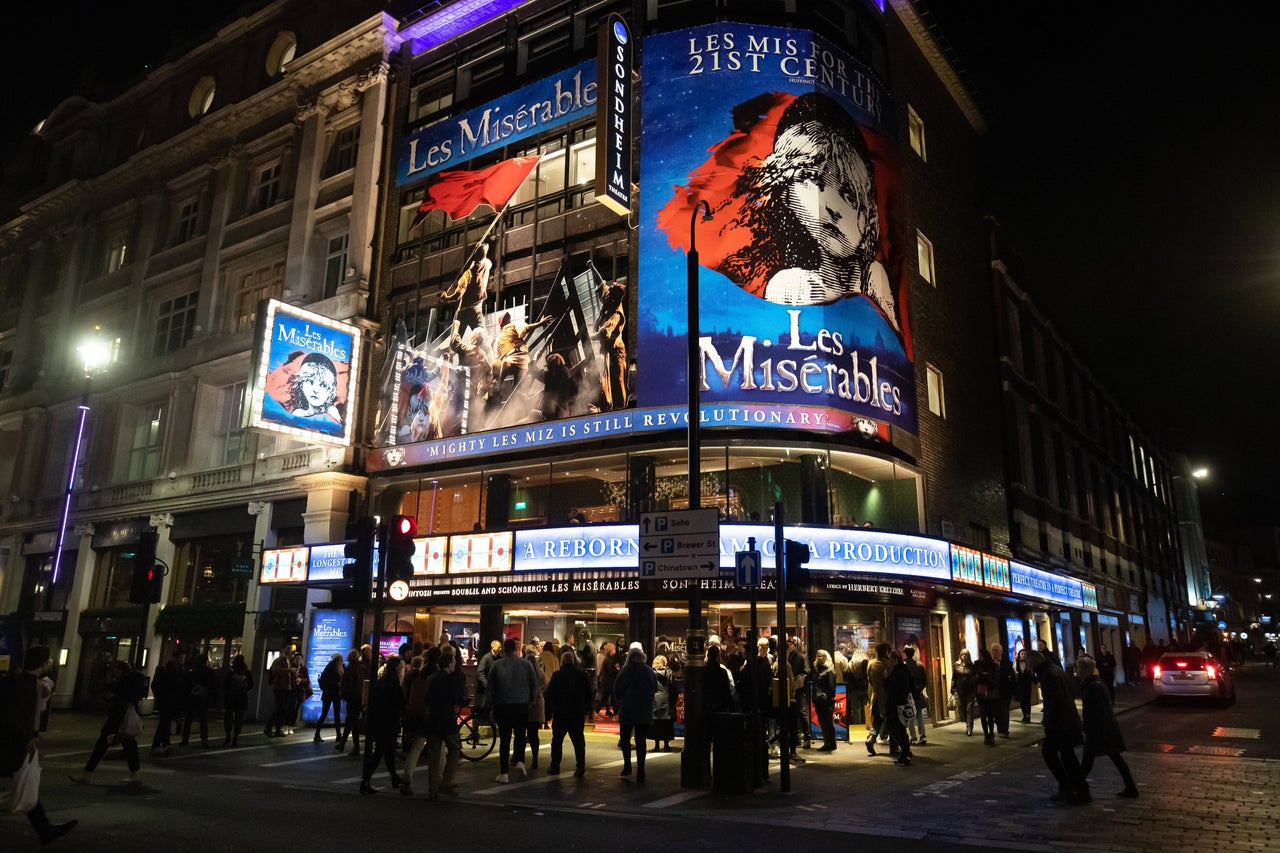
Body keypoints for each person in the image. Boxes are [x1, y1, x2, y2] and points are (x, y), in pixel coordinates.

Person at [720, 91, 899, 331]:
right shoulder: (792, 284)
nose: (832, 208)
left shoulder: (875, 280)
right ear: (785, 191)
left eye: (847, 193)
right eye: (812, 180)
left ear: (867, 214)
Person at [1, 645, 77, 845]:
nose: (50, 663)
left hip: (9, 742)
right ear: (42, 663)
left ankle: (45, 829)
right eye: (48, 660)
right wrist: (26, 738)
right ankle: (45, 830)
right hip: (10, 744)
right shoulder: (26, 684)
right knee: (24, 779)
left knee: (26, 781)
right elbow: (13, 715)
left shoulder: (15, 680)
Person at [1025, 648, 1090, 805]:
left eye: (1028, 663)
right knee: (1064, 755)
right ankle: (1072, 787)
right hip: (1065, 720)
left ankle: (1078, 790)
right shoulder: (1054, 670)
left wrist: (1049, 719)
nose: (1028, 667)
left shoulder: (1048, 674)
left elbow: (1055, 700)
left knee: (1059, 755)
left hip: (1060, 723)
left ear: (1034, 662)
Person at [71, 659, 148, 786]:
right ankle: (135, 774)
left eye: (115, 670)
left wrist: (112, 697)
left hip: (117, 720)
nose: (114, 672)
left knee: (101, 746)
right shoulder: (131, 682)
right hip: (123, 719)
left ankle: (87, 775)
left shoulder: (124, 682)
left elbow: (119, 700)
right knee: (130, 747)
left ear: (120, 670)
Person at [1076, 656, 1138, 799]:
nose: (1077, 671)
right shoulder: (1097, 683)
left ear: (1085, 670)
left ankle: (1080, 791)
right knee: (1113, 758)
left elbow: (1098, 711)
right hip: (1105, 729)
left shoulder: (1092, 687)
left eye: (1078, 668)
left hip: (1099, 730)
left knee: (1087, 762)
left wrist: (1090, 728)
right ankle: (1130, 787)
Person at [488, 637, 539, 784]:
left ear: (504, 649)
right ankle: (520, 762)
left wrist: (491, 704)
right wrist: (530, 700)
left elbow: (491, 688)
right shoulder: (526, 664)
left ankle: (504, 773)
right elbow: (534, 684)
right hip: (521, 705)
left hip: (503, 705)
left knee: (505, 740)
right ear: (516, 650)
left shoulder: (496, 665)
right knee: (520, 735)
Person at [360, 654, 405, 794]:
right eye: (402, 667)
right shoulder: (393, 684)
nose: (403, 670)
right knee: (380, 752)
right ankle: (365, 781)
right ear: (398, 668)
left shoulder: (383, 681)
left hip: (379, 721)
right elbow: (398, 704)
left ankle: (394, 777)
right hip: (386, 722)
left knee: (387, 751)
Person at [423, 650, 464, 799]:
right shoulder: (451, 680)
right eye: (453, 662)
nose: (455, 664)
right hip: (447, 720)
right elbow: (457, 698)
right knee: (454, 749)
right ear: (449, 664)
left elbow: (426, 699)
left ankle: (432, 789)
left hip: (432, 719)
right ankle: (446, 782)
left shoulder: (431, 679)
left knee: (434, 755)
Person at [545, 650, 592, 777]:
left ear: (562, 662)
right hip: (577, 713)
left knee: (557, 741)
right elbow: (589, 694)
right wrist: (586, 709)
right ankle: (580, 766)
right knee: (578, 741)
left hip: (561, 713)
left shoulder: (557, 675)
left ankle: (555, 766)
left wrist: (549, 712)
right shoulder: (582, 675)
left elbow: (550, 695)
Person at [613, 646, 657, 782]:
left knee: (625, 738)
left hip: (628, 709)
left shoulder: (626, 670)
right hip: (644, 709)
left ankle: (627, 766)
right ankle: (641, 770)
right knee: (641, 740)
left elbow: (617, 689)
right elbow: (654, 688)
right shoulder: (649, 670)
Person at [493, 312, 555, 402]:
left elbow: (497, 356)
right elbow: (526, 328)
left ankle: (499, 391)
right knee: (517, 386)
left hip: (509, 360)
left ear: (500, 326)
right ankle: (512, 396)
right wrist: (540, 324)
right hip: (522, 362)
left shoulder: (499, 338)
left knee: (502, 375)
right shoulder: (514, 325)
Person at [596, 278, 628, 410]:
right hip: (607, 350)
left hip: (616, 351)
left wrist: (589, 337)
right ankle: (609, 403)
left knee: (618, 379)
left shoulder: (616, 314)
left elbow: (604, 333)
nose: (607, 297)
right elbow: (601, 283)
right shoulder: (609, 299)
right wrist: (591, 266)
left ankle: (620, 407)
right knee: (606, 377)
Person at [149, 649, 186, 755]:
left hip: (171, 701)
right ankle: (165, 744)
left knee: (164, 722)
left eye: (183, 658)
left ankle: (158, 745)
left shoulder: (179, 670)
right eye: (181, 658)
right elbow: (157, 685)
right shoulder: (165, 670)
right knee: (165, 721)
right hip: (166, 700)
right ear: (175, 658)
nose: (182, 660)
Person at [288, 352, 342, 423]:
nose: (315, 390)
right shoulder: (298, 414)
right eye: (310, 381)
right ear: (301, 384)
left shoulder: (332, 413)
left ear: (331, 391)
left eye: (323, 385)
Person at [882, 648, 914, 766]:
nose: (889, 662)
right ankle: (906, 750)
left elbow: (895, 689)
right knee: (899, 729)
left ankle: (905, 752)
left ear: (895, 660)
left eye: (890, 659)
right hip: (900, 705)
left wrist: (886, 679)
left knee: (895, 728)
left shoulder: (898, 672)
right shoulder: (902, 670)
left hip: (897, 706)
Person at [519, 644, 548, 770]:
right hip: (537, 705)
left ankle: (520, 759)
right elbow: (546, 686)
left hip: (524, 704)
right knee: (534, 734)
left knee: (521, 733)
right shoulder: (540, 673)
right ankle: (535, 758)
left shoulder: (523, 672)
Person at [181, 653, 216, 748]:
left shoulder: (193, 672)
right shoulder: (209, 672)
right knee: (203, 720)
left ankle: (185, 739)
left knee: (189, 720)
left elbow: (187, 685)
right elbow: (213, 686)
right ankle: (204, 740)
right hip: (203, 699)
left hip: (193, 698)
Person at [337, 648, 366, 754]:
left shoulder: (349, 669)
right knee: (351, 721)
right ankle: (343, 743)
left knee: (352, 722)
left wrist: (343, 694)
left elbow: (346, 685)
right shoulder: (362, 668)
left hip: (351, 698)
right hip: (359, 698)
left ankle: (355, 746)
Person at [222, 654, 253, 747]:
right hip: (242, 698)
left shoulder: (231, 672)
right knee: (239, 719)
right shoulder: (246, 672)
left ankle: (228, 736)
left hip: (231, 699)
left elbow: (225, 685)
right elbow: (251, 685)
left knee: (228, 718)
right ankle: (235, 738)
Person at [865, 643, 890, 755]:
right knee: (890, 720)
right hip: (887, 696)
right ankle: (894, 747)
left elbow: (869, 679)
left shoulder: (871, 663)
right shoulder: (888, 664)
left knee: (877, 721)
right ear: (886, 652)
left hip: (875, 696)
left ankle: (872, 737)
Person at [266, 648, 297, 738]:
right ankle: (269, 727)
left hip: (287, 688)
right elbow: (276, 671)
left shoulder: (288, 661)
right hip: (280, 687)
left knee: (283, 709)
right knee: (280, 708)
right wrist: (289, 670)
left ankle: (278, 729)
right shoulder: (279, 660)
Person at [812, 650, 838, 752]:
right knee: (822, 721)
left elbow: (832, 688)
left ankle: (831, 742)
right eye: (818, 656)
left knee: (828, 722)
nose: (819, 658)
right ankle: (827, 742)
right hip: (818, 699)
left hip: (826, 700)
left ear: (826, 657)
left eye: (822, 656)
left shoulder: (829, 671)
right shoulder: (817, 670)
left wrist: (830, 699)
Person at [902, 645, 928, 745]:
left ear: (905, 653)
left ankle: (913, 736)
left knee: (910, 716)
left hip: (907, 694)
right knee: (919, 715)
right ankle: (922, 735)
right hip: (918, 694)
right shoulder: (920, 665)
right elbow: (924, 681)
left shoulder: (903, 666)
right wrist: (920, 689)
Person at [315, 652, 344, 742]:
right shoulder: (333, 668)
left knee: (327, 714)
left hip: (330, 694)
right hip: (332, 693)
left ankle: (319, 734)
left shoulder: (334, 667)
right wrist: (338, 684)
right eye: (340, 659)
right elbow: (329, 681)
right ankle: (337, 735)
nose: (341, 661)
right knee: (333, 714)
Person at [974, 646, 1000, 745]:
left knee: (990, 715)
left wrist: (988, 678)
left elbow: (996, 680)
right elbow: (974, 678)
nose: (979, 657)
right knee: (983, 715)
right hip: (981, 693)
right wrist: (978, 677)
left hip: (991, 693)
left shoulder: (993, 666)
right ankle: (986, 735)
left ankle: (991, 734)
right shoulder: (976, 665)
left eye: (981, 655)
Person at [650, 654, 675, 752]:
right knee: (666, 723)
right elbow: (672, 685)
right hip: (666, 698)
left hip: (655, 698)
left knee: (656, 722)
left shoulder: (652, 673)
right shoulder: (669, 672)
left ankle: (656, 746)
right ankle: (666, 745)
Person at [950, 649, 978, 737]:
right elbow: (954, 678)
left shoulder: (971, 666)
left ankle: (969, 728)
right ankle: (967, 724)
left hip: (970, 690)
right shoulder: (956, 665)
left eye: (966, 655)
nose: (964, 656)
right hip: (960, 690)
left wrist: (973, 683)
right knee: (962, 709)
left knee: (969, 708)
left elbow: (975, 677)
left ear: (968, 656)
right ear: (960, 655)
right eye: (963, 655)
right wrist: (952, 688)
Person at [992, 643, 1015, 738]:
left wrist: (1012, 689)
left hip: (1005, 691)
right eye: (993, 650)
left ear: (1000, 652)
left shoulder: (1007, 663)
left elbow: (1012, 677)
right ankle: (1000, 727)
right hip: (993, 692)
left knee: (1004, 711)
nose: (994, 652)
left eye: (996, 650)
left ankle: (1004, 729)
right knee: (995, 712)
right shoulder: (990, 663)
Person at [1015, 648, 1034, 723]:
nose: (1023, 655)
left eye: (1024, 654)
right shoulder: (1016, 662)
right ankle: (1024, 715)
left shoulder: (1029, 663)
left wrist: (1036, 681)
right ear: (1019, 654)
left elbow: (1032, 673)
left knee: (1028, 701)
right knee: (1022, 701)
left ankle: (1028, 716)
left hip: (1028, 684)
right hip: (1020, 684)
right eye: (1022, 653)